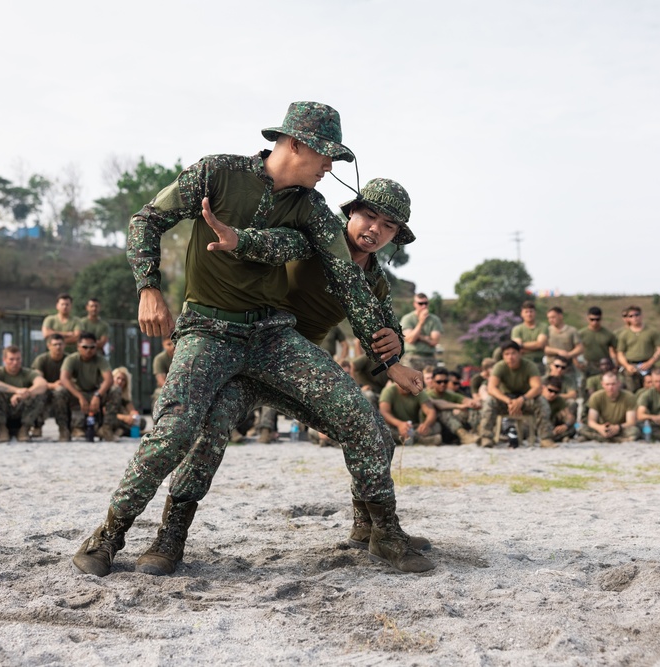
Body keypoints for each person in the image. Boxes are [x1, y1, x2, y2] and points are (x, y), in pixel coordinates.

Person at [72, 106, 428, 581]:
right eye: (326, 156)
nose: (330, 168)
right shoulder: (219, 174)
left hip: (273, 339)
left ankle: (381, 531)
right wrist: (149, 286)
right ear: (296, 144)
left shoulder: (312, 211)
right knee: (181, 433)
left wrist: (392, 356)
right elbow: (148, 219)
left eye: (388, 226)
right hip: (209, 331)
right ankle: (116, 536)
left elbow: (349, 279)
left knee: (363, 421)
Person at [478, 340, 555, 448]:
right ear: (503, 356)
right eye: (507, 354)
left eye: (513, 353)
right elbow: (491, 388)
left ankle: (546, 438)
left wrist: (521, 400)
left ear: (520, 353)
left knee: (541, 401)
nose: (510, 357)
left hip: (525, 400)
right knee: (489, 401)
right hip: (505, 401)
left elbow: (537, 387)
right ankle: (486, 437)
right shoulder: (499, 367)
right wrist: (508, 401)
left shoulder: (529, 366)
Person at [0, 345, 47, 443]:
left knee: (38, 394)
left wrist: (26, 393)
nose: (15, 362)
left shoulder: (28, 373)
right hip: (3, 412)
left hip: (20, 410)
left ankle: (24, 429)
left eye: (18, 359)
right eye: (11, 359)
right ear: (4, 359)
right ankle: (2, 430)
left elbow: (42, 384)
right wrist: (16, 390)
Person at [60, 332, 114, 441]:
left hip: (95, 392)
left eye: (92, 347)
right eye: (85, 347)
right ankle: (64, 429)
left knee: (115, 390)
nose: (88, 350)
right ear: (78, 347)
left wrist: (98, 395)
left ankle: (106, 428)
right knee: (59, 392)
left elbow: (109, 379)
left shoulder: (101, 360)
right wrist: (79, 396)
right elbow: (64, 379)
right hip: (77, 393)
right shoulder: (71, 359)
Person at [30, 333, 73, 441]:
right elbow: (37, 381)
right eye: (55, 344)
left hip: (64, 390)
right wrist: (52, 385)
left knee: (60, 393)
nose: (58, 347)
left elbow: (74, 379)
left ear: (64, 345)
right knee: (38, 393)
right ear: (49, 346)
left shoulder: (70, 359)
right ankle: (37, 426)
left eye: (60, 344)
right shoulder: (41, 360)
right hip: (46, 388)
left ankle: (64, 428)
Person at [578, 372, 639, 443]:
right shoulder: (596, 397)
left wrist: (618, 427)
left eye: (613, 384)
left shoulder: (629, 397)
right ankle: (615, 440)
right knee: (582, 429)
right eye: (607, 384)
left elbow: (631, 422)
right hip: (603, 427)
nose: (610, 387)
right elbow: (591, 421)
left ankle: (600, 439)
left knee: (634, 431)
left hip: (620, 427)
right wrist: (600, 428)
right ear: (602, 384)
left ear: (619, 383)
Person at [424, 367, 480, 444]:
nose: (442, 384)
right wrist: (459, 406)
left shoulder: (450, 394)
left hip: (450, 428)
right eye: (439, 382)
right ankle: (463, 435)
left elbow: (464, 399)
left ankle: (478, 431)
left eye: (445, 381)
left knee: (467, 412)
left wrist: (472, 403)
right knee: (444, 413)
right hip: (434, 427)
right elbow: (440, 404)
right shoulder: (427, 395)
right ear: (433, 382)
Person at [615, 305, 660, 393]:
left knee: (652, 391)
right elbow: (620, 353)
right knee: (631, 392)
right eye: (631, 316)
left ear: (641, 315)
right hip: (631, 367)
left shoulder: (652, 332)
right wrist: (627, 366)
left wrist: (650, 362)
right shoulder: (624, 334)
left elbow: (659, 349)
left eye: (637, 315)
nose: (634, 318)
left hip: (648, 366)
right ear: (628, 318)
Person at [380, 380, 440, 446]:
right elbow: (384, 412)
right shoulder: (388, 391)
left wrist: (426, 425)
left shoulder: (418, 391)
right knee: (383, 429)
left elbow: (431, 411)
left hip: (414, 426)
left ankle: (410, 438)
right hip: (394, 426)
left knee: (437, 426)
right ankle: (418, 439)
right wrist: (399, 424)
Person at [400, 293, 442, 369]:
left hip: (430, 358)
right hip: (411, 357)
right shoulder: (407, 319)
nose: (424, 306)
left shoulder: (435, 320)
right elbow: (410, 339)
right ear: (415, 304)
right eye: (420, 303)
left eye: (426, 303)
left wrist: (418, 337)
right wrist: (421, 322)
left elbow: (434, 342)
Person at [104, 367, 145, 438]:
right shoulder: (107, 392)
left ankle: (121, 431)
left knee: (141, 421)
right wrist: (123, 417)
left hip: (123, 420)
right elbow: (105, 412)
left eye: (123, 380)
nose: (120, 381)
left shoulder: (124, 395)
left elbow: (131, 410)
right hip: (110, 418)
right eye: (118, 378)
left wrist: (133, 416)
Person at [578, 306, 617, 379]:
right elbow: (576, 350)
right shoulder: (581, 334)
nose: (594, 322)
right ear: (587, 318)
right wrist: (578, 364)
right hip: (588, 365)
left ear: (601, 318)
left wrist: (615, 366)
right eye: (592, 319)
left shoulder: (608, 334)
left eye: (597, 319)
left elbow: (615, 351)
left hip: (605, 365)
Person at [544, 307, 583, 371]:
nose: (551, 320)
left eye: (553, 317)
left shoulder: (572, 330)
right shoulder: (547, 331)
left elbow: (580, 348)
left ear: (560, 316)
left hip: (568, 367)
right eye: (549, 318)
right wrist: (558, 351)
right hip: (551, 367)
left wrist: (569, 354)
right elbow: (544, 348)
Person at [511, 301, 548, 368]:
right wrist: (534, 346)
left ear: (535, 313)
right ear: (522, 314)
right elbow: (517, 347)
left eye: (531, 311)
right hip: (522, 362)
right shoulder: (517, 329)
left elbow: (540, 344)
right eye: (526, 312)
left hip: (539, 362)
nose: (529, 314)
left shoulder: (543, 326)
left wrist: (522, 345)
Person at [541, 377, 577, 442]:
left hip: (551, 424)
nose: (553, 394)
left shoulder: (559, 400)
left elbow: (569, 416)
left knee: (572, 429)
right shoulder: (536, 398)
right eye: (550, 390)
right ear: (543, 388)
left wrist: (565, 426)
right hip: (536, 424)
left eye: (556, 392)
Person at [150, 337, 175, 407]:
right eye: (169, 344)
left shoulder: (183, 357)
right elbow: (161, 381)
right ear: (163, 345)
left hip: (183, 388)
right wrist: (173, 391)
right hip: (166, 388)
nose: (172, 347)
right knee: (159, 395)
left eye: (174, 343)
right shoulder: (160, 359)